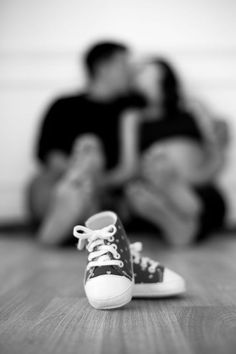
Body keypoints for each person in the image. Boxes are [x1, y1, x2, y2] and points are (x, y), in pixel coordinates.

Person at [28, 41, 144, 245]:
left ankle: (63, 222)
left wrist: (95, 177)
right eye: (124, 64)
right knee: (44, 183)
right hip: (61, 182)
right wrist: (79, 172)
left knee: (90, 161)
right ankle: (76, 198)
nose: (130, 71)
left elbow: (128, 168)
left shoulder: (130, 108)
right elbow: (49, 156)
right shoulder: (64, 105)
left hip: (106, 187)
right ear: (103, 67)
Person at [119, 58, 228, 246]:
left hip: (198, 183)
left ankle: (177, 210)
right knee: (140, 195)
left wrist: (197, 178)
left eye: (146, 71)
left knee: (204, 199)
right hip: (154, 183)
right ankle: (174, 216)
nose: (140, 75)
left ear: (164, 76)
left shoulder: (193, 107)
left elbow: (216, 155)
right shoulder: (132, 117)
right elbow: (129, 167)